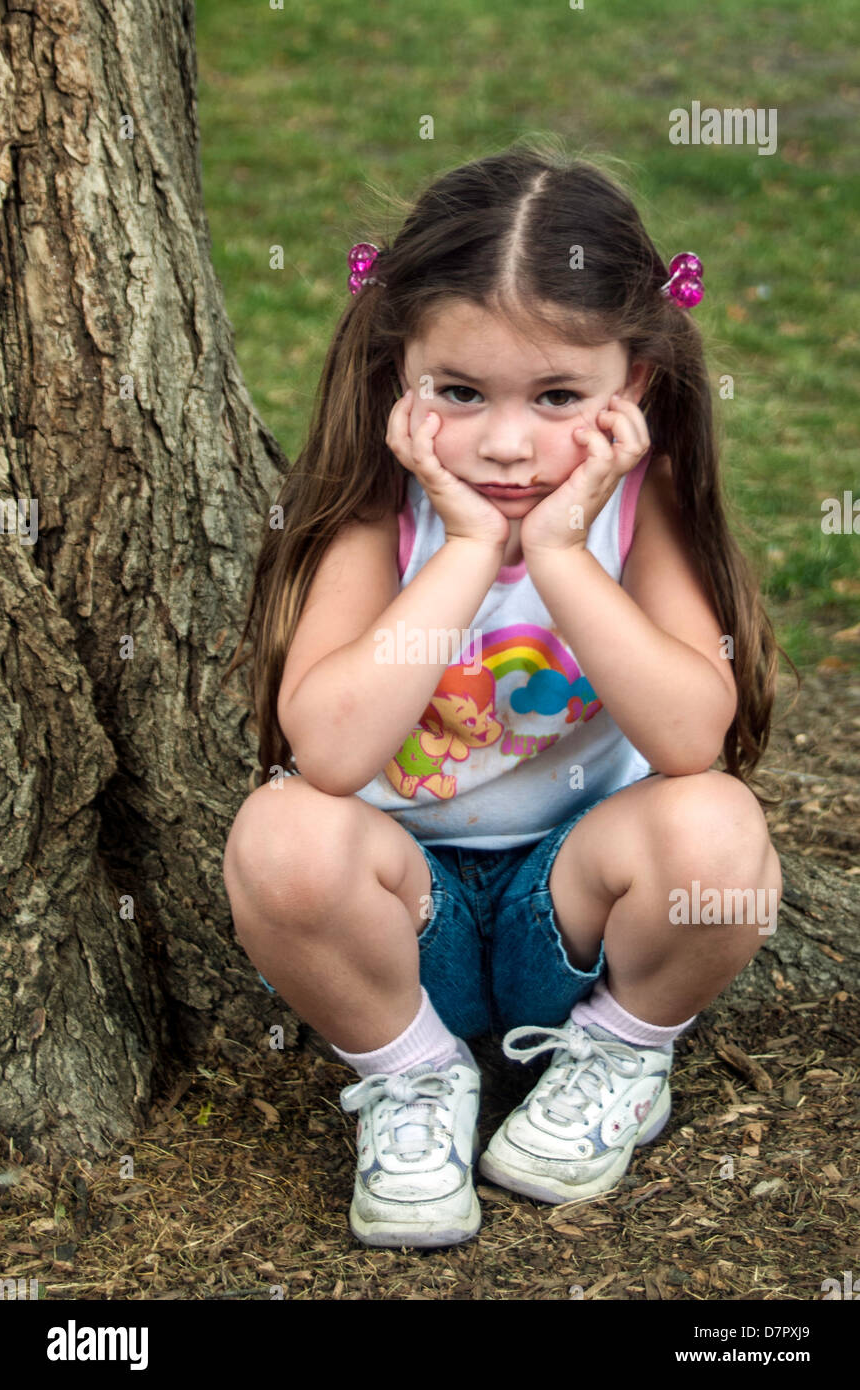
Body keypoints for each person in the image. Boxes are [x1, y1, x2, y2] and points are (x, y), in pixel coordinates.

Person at [221, 142, 784, 1250]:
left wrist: (565, 554)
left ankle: (622, 1055)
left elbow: (688, 738)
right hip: (402, 921)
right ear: (399, 374)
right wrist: (471, 546)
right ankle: (416, 1080)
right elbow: (327, 756)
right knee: (280, 836)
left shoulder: (638, 506)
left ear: (638, 384)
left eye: (558, 395)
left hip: (575, 909)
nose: (507, 443)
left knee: (719, 830)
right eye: (461, 393)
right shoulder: (380, 507)